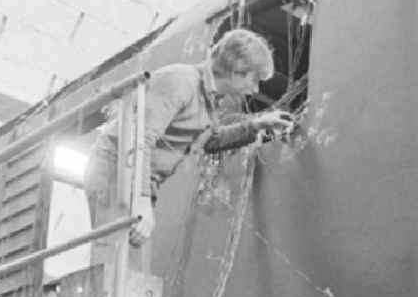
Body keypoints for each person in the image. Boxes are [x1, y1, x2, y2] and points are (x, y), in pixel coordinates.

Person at [83, 27, 293, 246]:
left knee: (126, 256)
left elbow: (210, 141)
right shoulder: (181, 82)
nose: (255, 88)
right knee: (113, 258)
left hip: (133, 177)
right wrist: (141, 200)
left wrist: (256, 126)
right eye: (255, 79)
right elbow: (139, 139)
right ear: (237, 70)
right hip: (115, 171)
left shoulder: (208, 99)